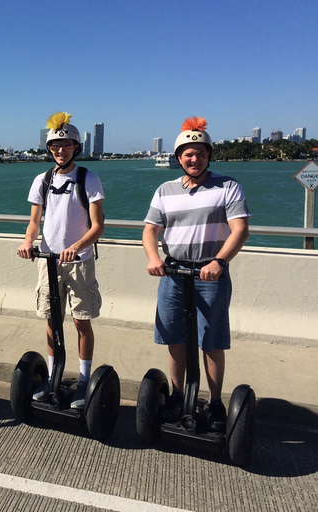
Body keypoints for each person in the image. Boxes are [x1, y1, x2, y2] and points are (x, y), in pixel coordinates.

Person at [142, 116, 250, 432]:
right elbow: (150, 230)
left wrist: (219, 261)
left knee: (211, 340)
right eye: (188, 153)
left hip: (210, 275)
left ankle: (215, 402)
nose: (194, 158)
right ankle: (178, 396)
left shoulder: (228, 186)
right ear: (179, 158)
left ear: (208, 155)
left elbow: (240, 229)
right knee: (174, 337)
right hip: (173, 272)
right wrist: (153, 257)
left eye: (200, 152)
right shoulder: (165, 190)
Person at [17, 112, 105, 408]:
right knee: (52, 322)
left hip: (79, 262)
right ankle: (53, 376)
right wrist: (29, 242)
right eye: (55, 145)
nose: (60, 150)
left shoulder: (88, 179)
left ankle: (82, 381)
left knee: (82, 322)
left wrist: (76, 246)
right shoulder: (42, 180)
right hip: (48, 261)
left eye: (65, 145)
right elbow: (34, 222)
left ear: (75, 147)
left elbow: (98, 226)